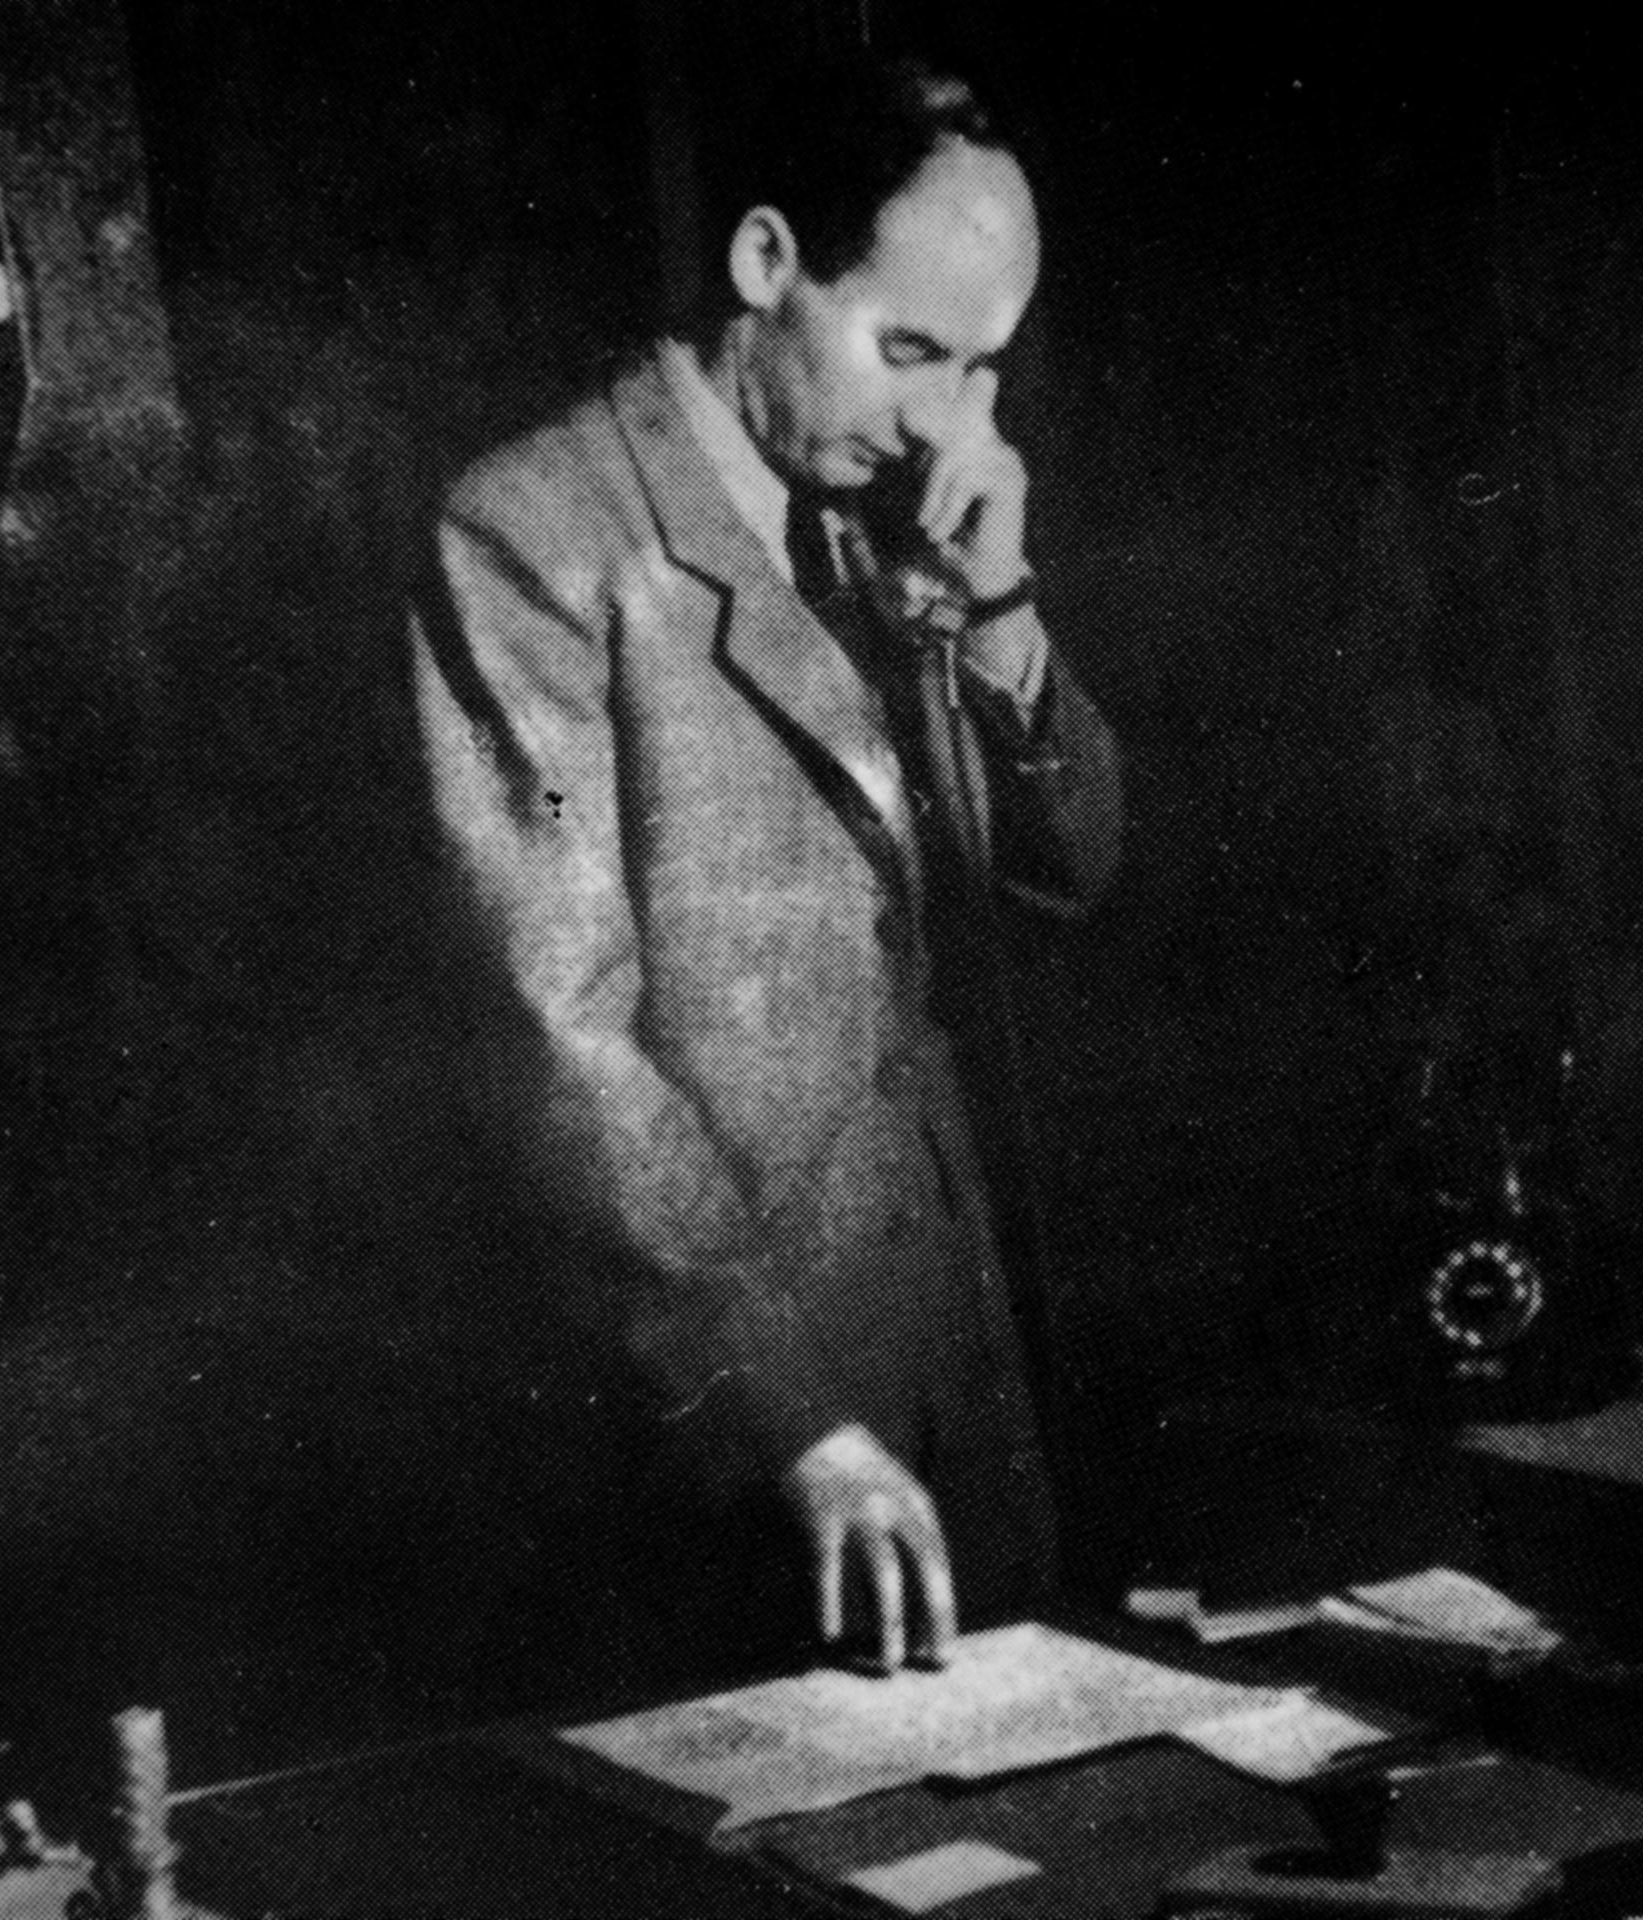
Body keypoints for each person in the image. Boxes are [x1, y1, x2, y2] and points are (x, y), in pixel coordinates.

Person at [409, 53, 1123, 1689]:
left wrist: (1000, 606)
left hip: (951, 1374)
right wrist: (788, 1419)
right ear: (763, 262)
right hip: (745, 1438)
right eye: (909, 351)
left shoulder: (880, 510)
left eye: (980, 370)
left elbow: (1075, 868)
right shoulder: (535, 536)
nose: (942, 419)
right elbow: (556, 1039)